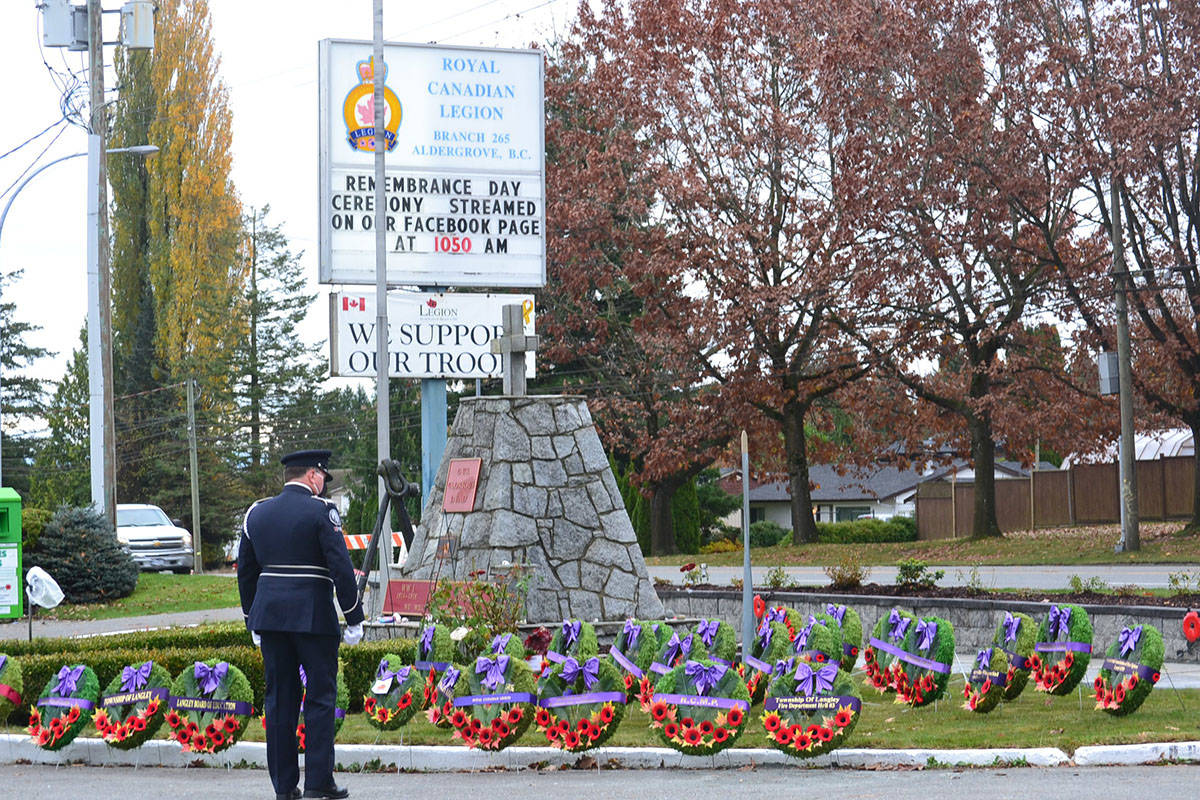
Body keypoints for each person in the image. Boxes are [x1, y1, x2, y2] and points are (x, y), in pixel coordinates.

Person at [238, 449, 364, 800]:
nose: (324, 483)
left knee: (279, 700)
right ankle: (318, 782)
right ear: (312, 475)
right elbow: (340, 566)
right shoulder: (322, 512)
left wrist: (253, 620)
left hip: (271, 621)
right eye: (323, 475)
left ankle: (283, 787)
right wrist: (353, 615)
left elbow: (246, 573)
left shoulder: (256, 514)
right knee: (320, 699)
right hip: (313, 618)